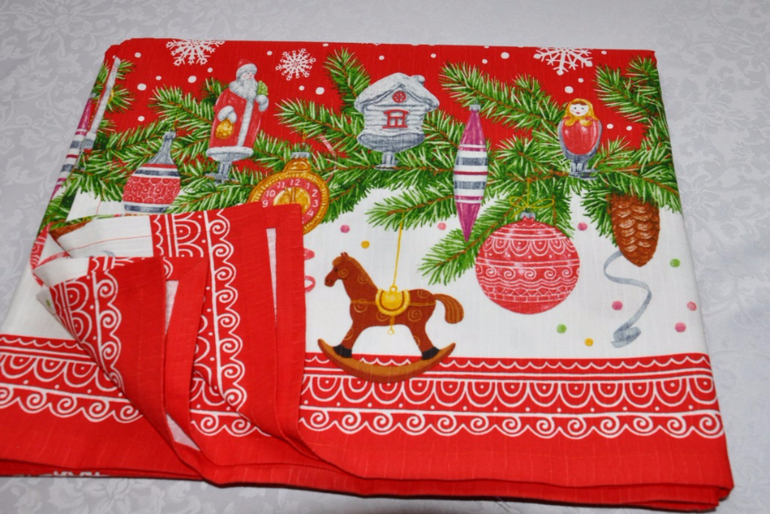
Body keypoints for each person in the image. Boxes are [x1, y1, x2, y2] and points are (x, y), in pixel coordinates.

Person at [206, 60, 269, 183]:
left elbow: (259, 112)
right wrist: (228, 112)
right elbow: (220, 106)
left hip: (246, 133)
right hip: (229, 127)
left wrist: (263, 102)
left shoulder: (254, 95)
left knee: (234, 152)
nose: (250, 75)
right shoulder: (230, 91)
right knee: (225, 149)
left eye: (252, 73)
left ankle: (226, 173)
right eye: (246, 73)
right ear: (240, 76)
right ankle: (220, 173)